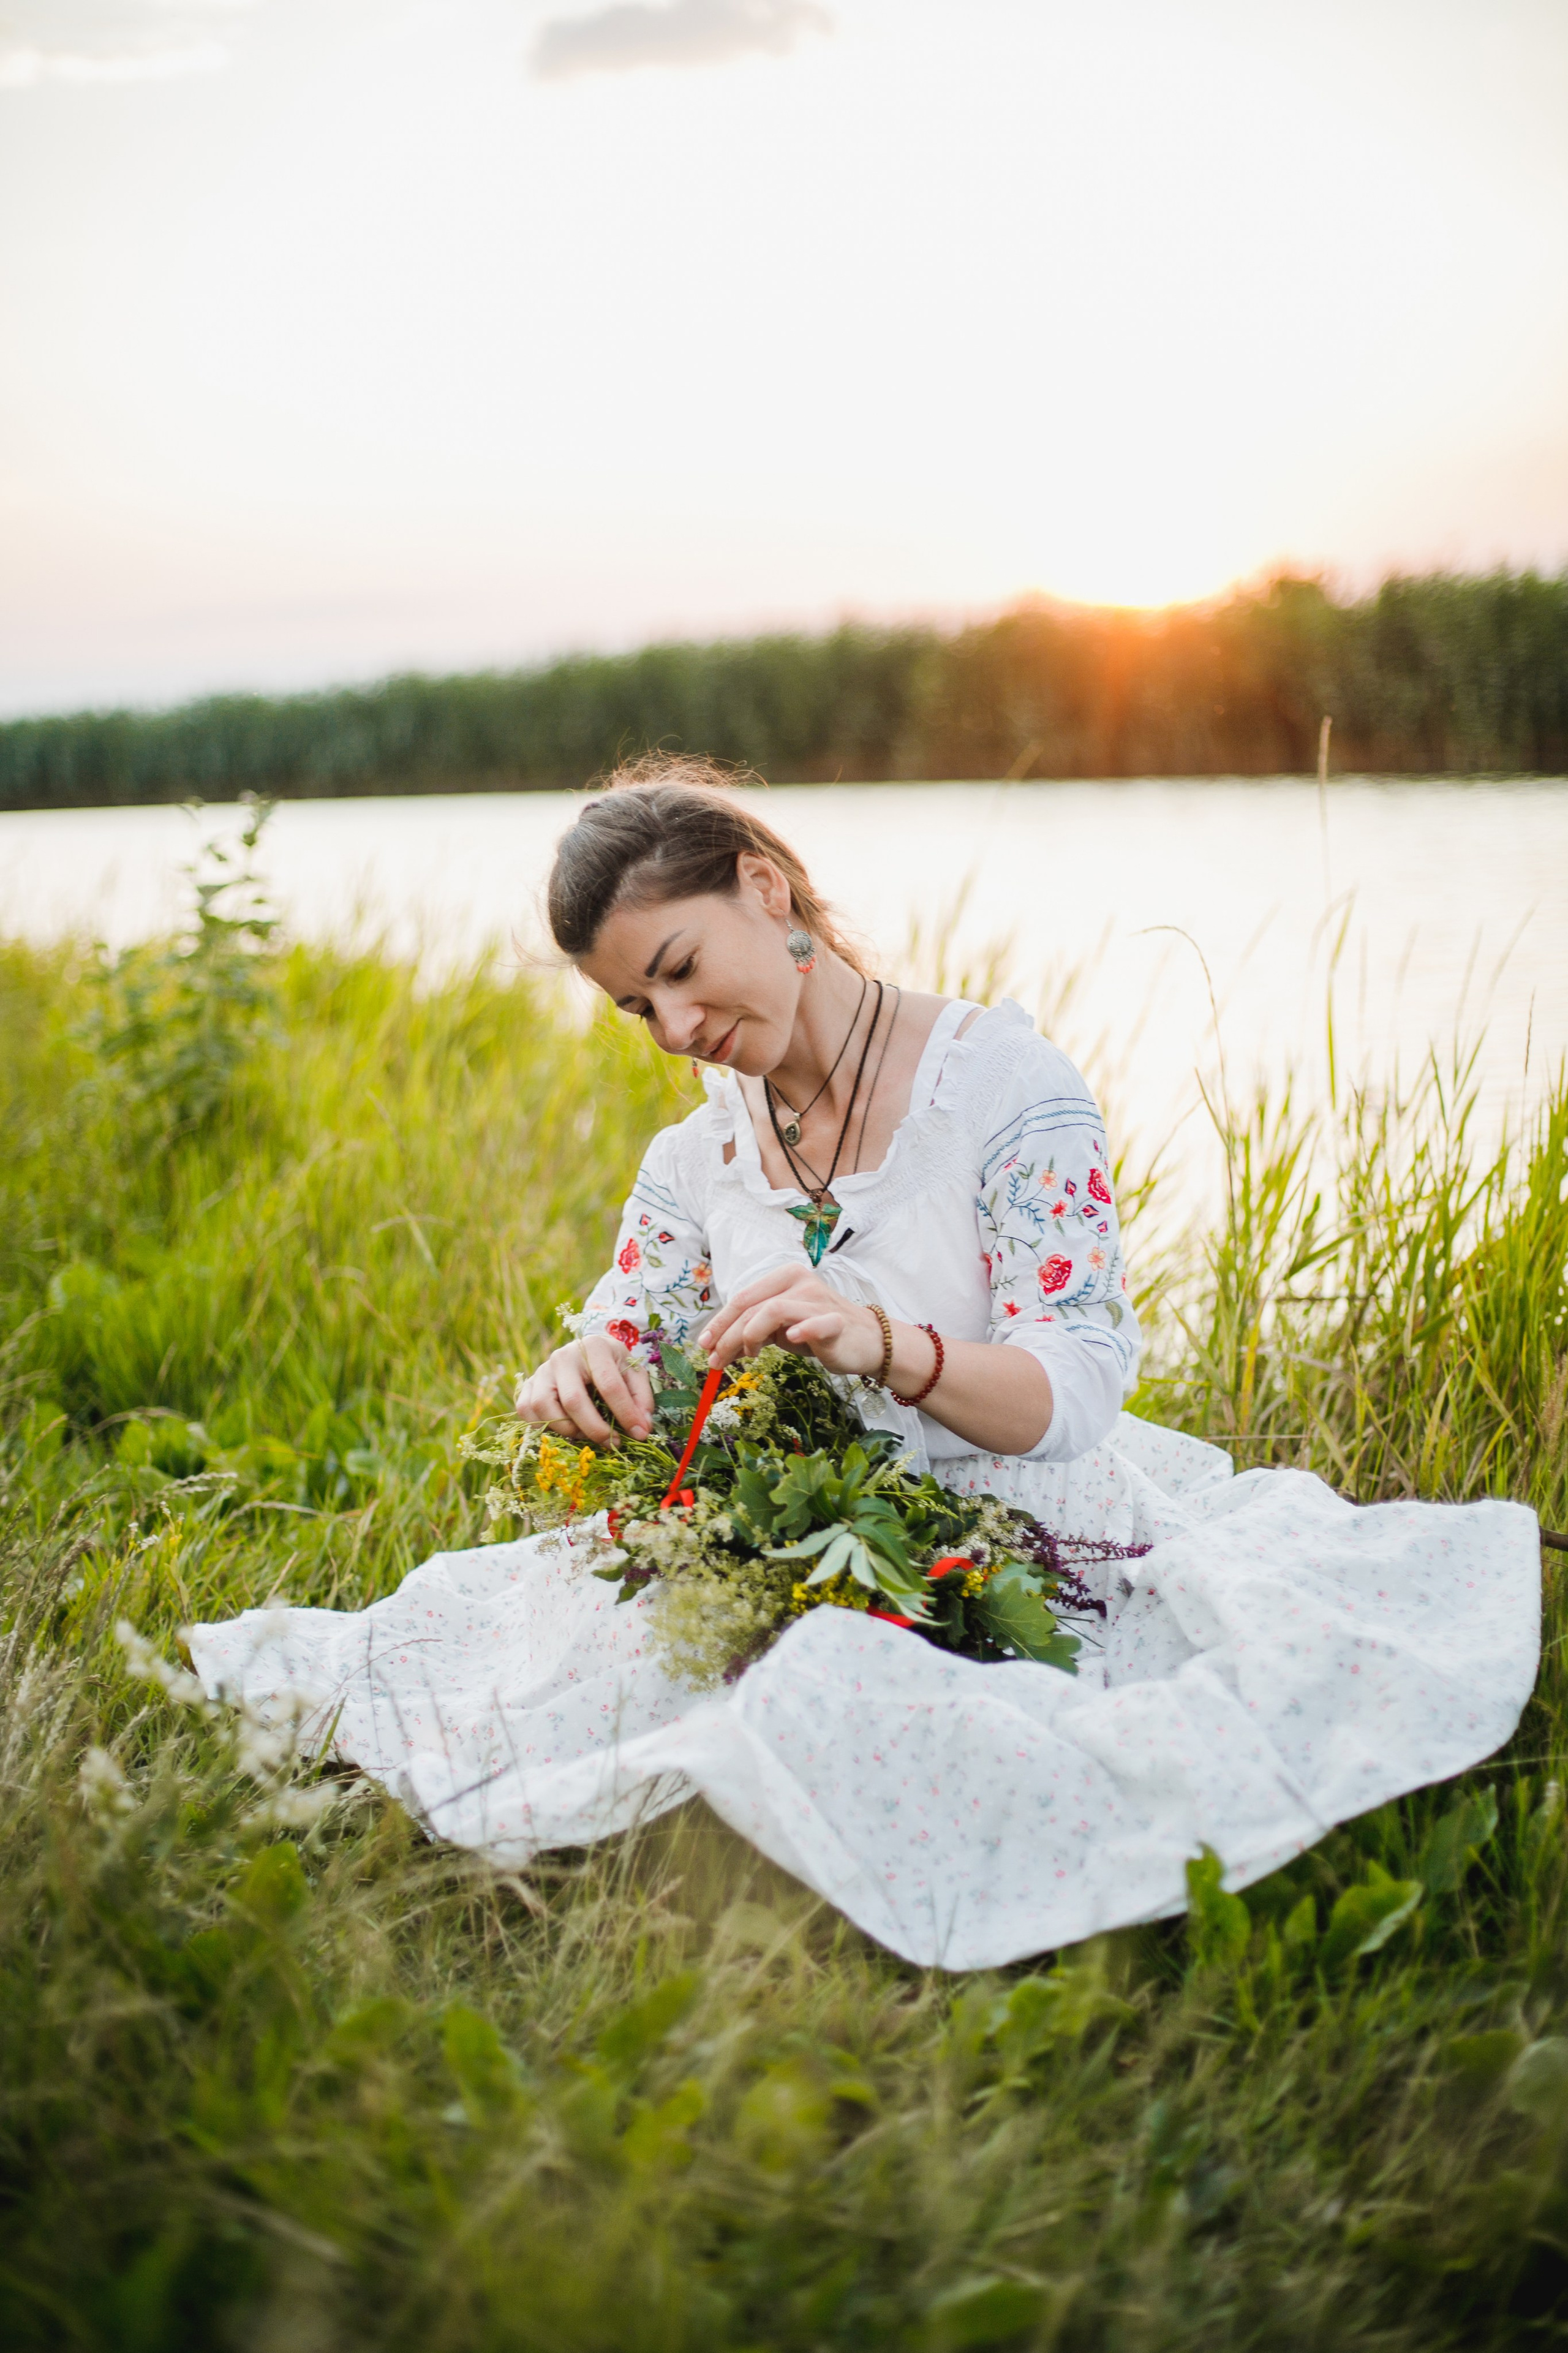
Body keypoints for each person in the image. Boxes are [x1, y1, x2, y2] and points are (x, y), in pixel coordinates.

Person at [189, 762, 1540, 1970]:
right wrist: (585, 1377)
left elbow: (1071, 1396)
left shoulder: (1005, 1090)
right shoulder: (695, 1160)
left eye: (674, 965)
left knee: (878, 1707)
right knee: (537, 1676)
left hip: (1011, 1524)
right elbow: (635, 1341)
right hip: (793, 1531)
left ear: (762, 885)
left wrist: (884, 1343)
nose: (668, 1026)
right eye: (630, 1006)